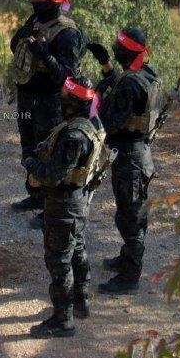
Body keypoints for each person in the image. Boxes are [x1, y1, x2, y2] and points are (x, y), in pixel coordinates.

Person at [25, 76, 110, 338]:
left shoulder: (73, 136)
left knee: (59, 260)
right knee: (78, 250)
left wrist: (30, 163)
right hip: (79, 201)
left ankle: (63, 320)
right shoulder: (90, 124)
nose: (60, 99)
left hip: (64, 204)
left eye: (65, 96)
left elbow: (52, 175)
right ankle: (80, 302)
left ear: (73, 102)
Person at [95, 27, 170, 296]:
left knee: (131, 217)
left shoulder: (129, 83)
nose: (115, 47)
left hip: (130, 157)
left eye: (118, 45)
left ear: (125, 51)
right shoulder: (146, 74)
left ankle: (129, 277)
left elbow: (111, 122)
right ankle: (127, 258)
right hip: (139, 152)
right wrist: (106, 69)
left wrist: (99, 98)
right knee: (130, 211)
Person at [9, 0, 84, 222]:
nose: (34, 4)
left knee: (49, 153)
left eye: (39, 1)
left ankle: (50, 208)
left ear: (53, 4)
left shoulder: (68, 34)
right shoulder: (34, 21)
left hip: (50, 104)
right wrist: (22, 36)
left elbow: (67, 77)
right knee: (29, 148)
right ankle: (35, 194)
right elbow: (17, 48)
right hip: (27, 98)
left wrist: (44, 54)